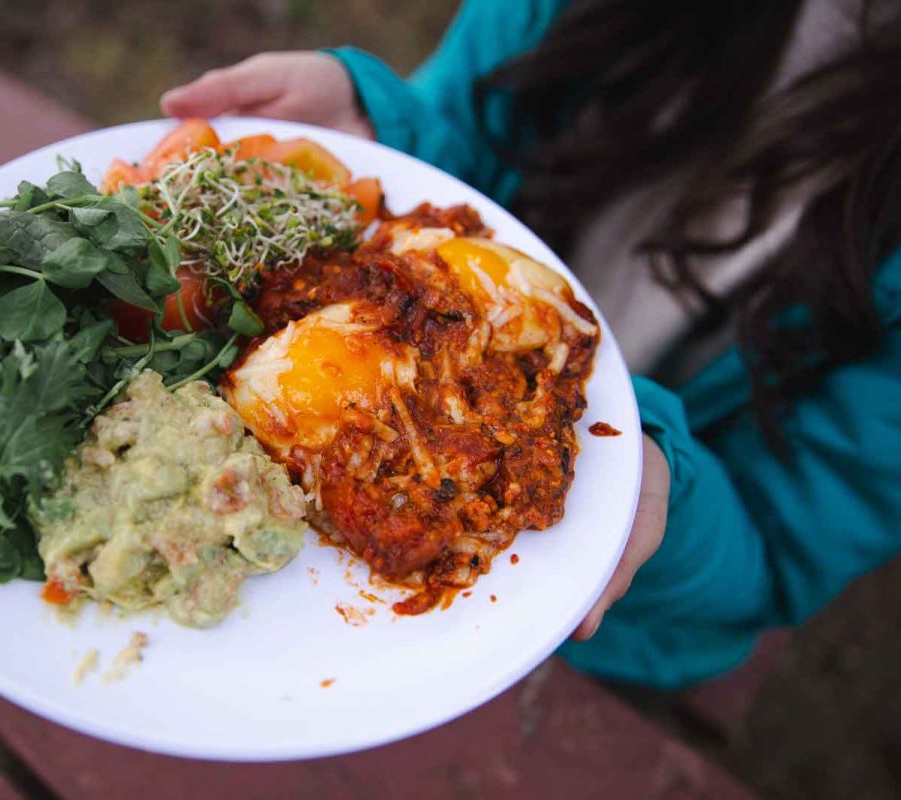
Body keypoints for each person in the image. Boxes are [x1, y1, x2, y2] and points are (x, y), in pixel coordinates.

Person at [159, 0, 901, 690]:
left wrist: (662, 488)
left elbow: (780, 554)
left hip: (622, 632)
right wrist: (387, 126)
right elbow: (462, 126)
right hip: (314, 610)